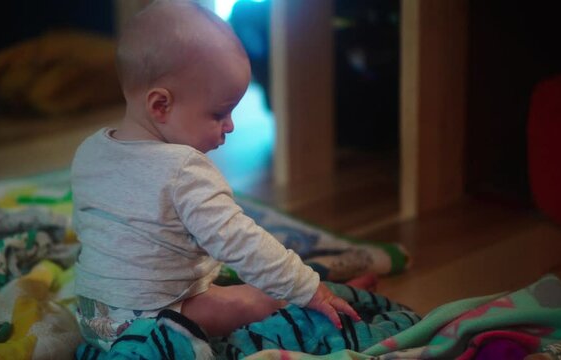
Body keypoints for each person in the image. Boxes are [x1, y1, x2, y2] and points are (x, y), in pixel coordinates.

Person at [70, 0, 360, 349]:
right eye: (219, 113)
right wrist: (309, 289)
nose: (232, 126)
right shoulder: (184, 170)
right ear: (160, 105)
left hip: (90, 315)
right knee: (260, 299)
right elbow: (242, 243)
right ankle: (334, 304)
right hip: (149, 324)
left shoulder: (89, 150)